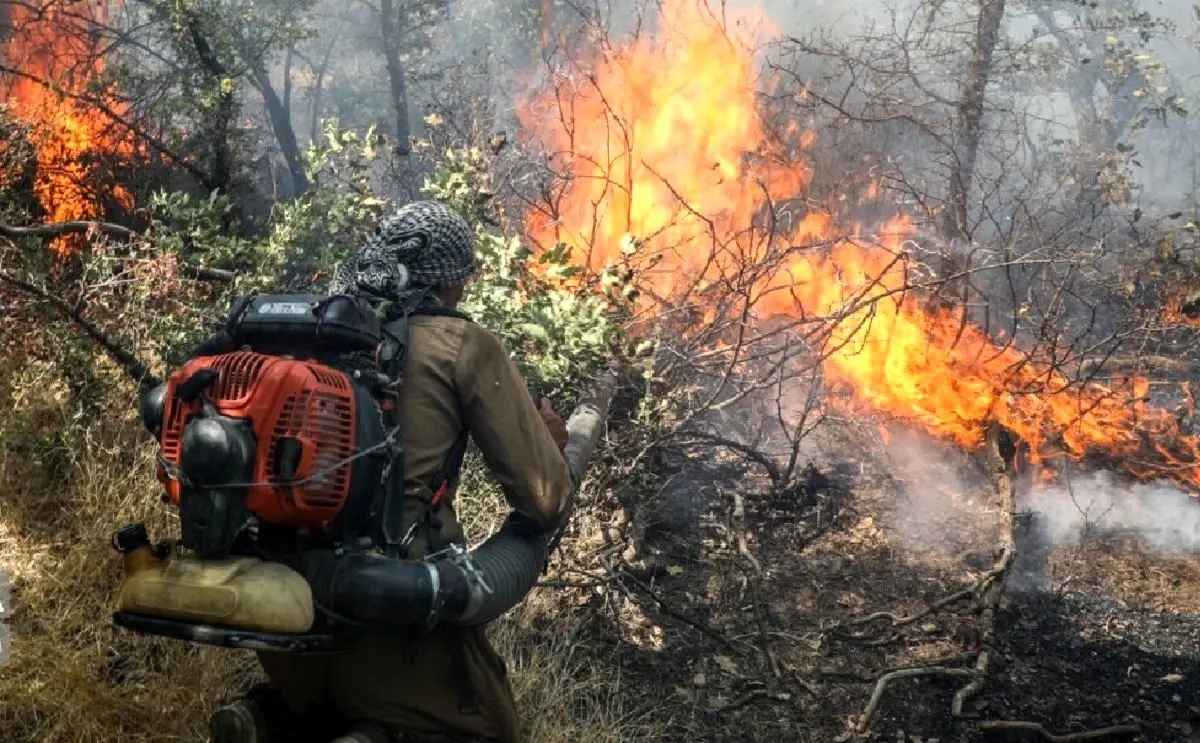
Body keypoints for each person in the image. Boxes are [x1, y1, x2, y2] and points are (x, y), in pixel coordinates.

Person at [209, 200, 576, 743]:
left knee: (315, 713)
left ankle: (268, 717)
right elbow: (543, 500)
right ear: (450, 281)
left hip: (280, 605)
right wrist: (550, 445)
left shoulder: (306, 330)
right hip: (398, 613)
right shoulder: (460, 344)